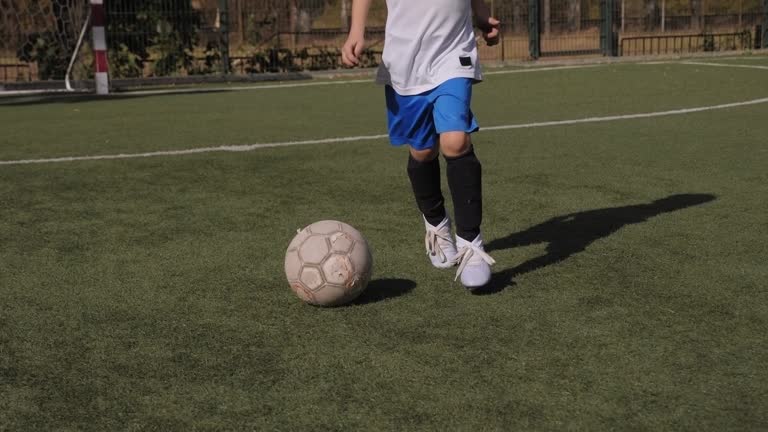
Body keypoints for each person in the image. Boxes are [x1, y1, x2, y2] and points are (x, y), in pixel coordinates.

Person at [341, 0, 500, 289]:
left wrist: (481, 15)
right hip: (405, 63)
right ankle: (436, 223)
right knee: (423, 151)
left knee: (455, 141)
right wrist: (356, 31)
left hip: (453, 53)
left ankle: (470, 243)